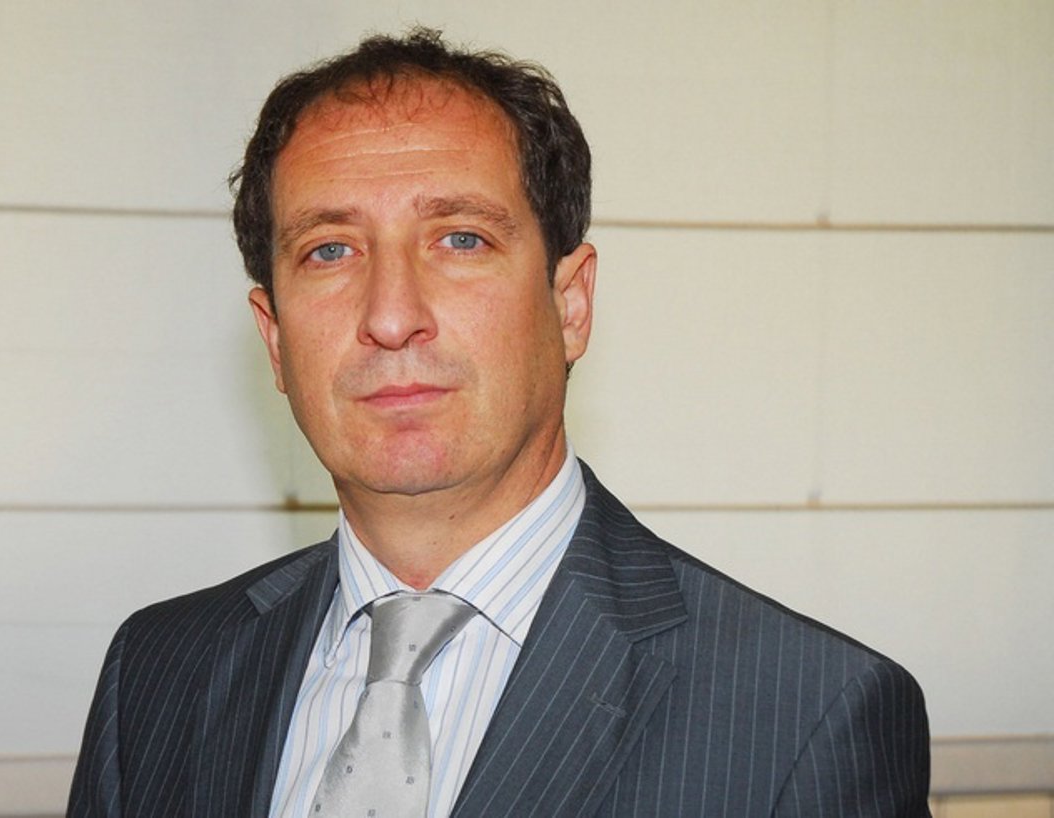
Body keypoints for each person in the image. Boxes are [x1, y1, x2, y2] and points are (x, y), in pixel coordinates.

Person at [69, 28, 931, 817]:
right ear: (274, 338)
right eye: (330, 250)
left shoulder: (804, 716)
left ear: (570, 305)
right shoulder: (156, 672)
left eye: (461, 240)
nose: (392, 316)